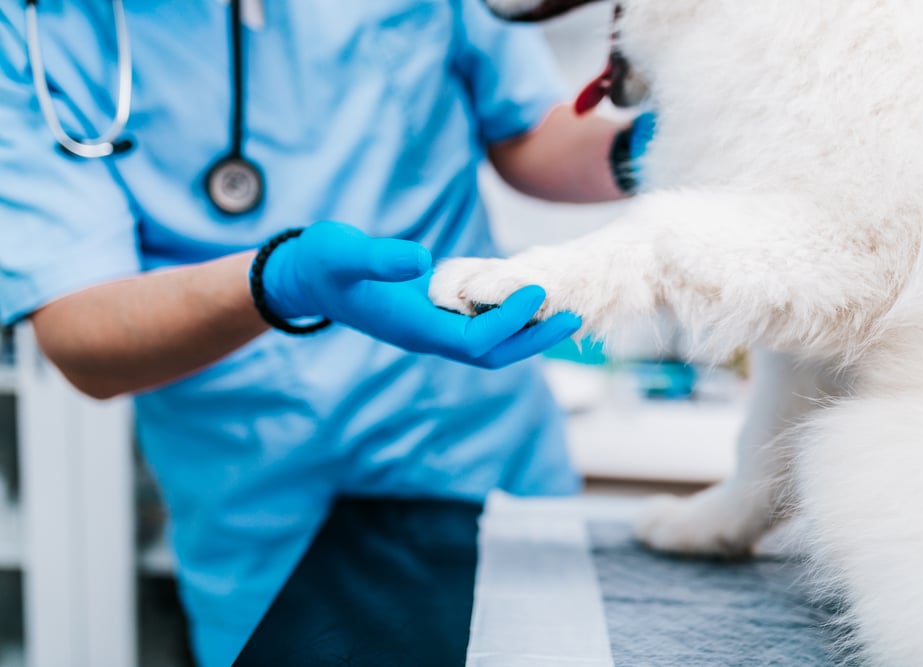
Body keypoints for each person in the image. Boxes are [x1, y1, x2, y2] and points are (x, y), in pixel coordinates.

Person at [0, 1, 649, 664]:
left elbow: (525, 133)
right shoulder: (37, 32)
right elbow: (80, 331)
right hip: (262, 511)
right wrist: (278, 281)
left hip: (481, 457)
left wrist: (647, 147)